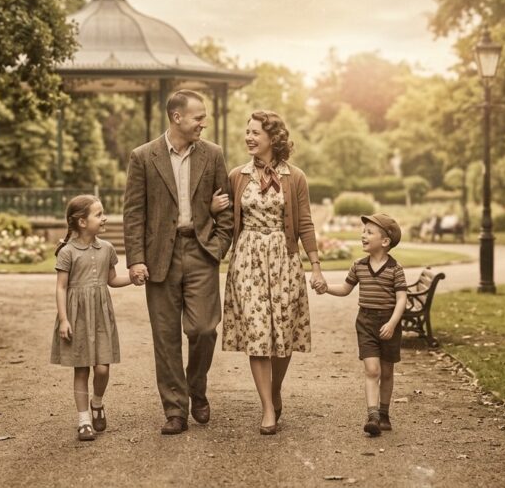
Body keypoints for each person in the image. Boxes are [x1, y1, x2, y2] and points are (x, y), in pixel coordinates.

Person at [122, 89, 234, 435]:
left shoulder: (213, 154)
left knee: (203, 329)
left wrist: (217, 247)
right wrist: (136, 259)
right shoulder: (143, 156)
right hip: (160, 258)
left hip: (201, 252)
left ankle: (196, 387)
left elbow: (226, 207)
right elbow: (134, 212)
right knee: (165, 336)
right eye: (198, 116)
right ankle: (175, 410)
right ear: (177, 117)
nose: (204, 122)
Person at [220, 110, 324, 435]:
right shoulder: (237, 175)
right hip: (247, 260)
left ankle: (275, 388)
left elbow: (304, 222)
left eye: (255, 133)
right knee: (257, 334)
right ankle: (267, 406)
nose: (249, 137)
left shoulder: (295, 177)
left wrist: (316, 267)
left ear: (272, 138)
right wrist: (213, 210)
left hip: (284, 261)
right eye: (247, 131)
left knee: (283, 335)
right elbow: (224, 220)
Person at [316, 213, 408, 437]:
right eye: (363, 231)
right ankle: (373, 415)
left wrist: (393, 323)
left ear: (385, 241)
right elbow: (346, 289)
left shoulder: (395, 269)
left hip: (388, 322)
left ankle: (384, 413)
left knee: (386, 371)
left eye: (369, 232)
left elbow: (402, 299)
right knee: (372, 370)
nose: (363, 235)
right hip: (365, 322)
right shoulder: (358, 266)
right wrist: (326, 288)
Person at [50, 195, 133, 442]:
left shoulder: (107, 248)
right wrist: (64, 320)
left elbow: (112, 280)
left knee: (102, 368)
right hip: (76, 317)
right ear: (82, 222)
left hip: (100, 316)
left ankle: (97, 402)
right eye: (99, 214)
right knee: (81, 370)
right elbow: (61, 288)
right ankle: (84, 420)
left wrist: (134, 278)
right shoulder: (67, 252)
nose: (104, 217)